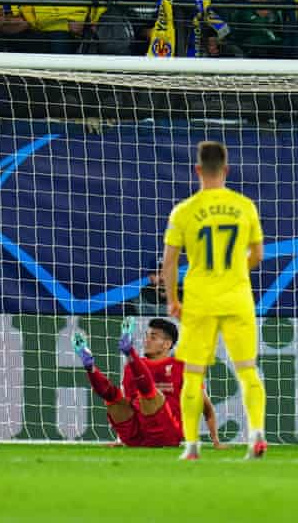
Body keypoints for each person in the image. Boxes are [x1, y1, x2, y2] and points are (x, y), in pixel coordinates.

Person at [162, 141, 266, 460]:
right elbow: (258, 255)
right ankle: (257, 435)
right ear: (226, 170)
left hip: (200, 300)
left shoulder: (184, 211)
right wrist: (235, 269)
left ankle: (192, 446)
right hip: (237, 298)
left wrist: (172, 300)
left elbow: (169, 263)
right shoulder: (245, 205)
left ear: (197, 170)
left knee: (193, 375)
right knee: (248, 370)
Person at [72, 317, 225, 448]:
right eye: (146, 336)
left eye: (153, 337)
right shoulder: (130, 369)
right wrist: (120, 439)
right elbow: (127, 405)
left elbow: (207, 409)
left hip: (167, 433)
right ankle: (90, 367)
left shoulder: (182, 367)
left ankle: (128, 352)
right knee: (113, 398)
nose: (147, 340)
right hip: (137, 436)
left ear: (167, 344)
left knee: (148, 393)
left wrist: (215, 441)